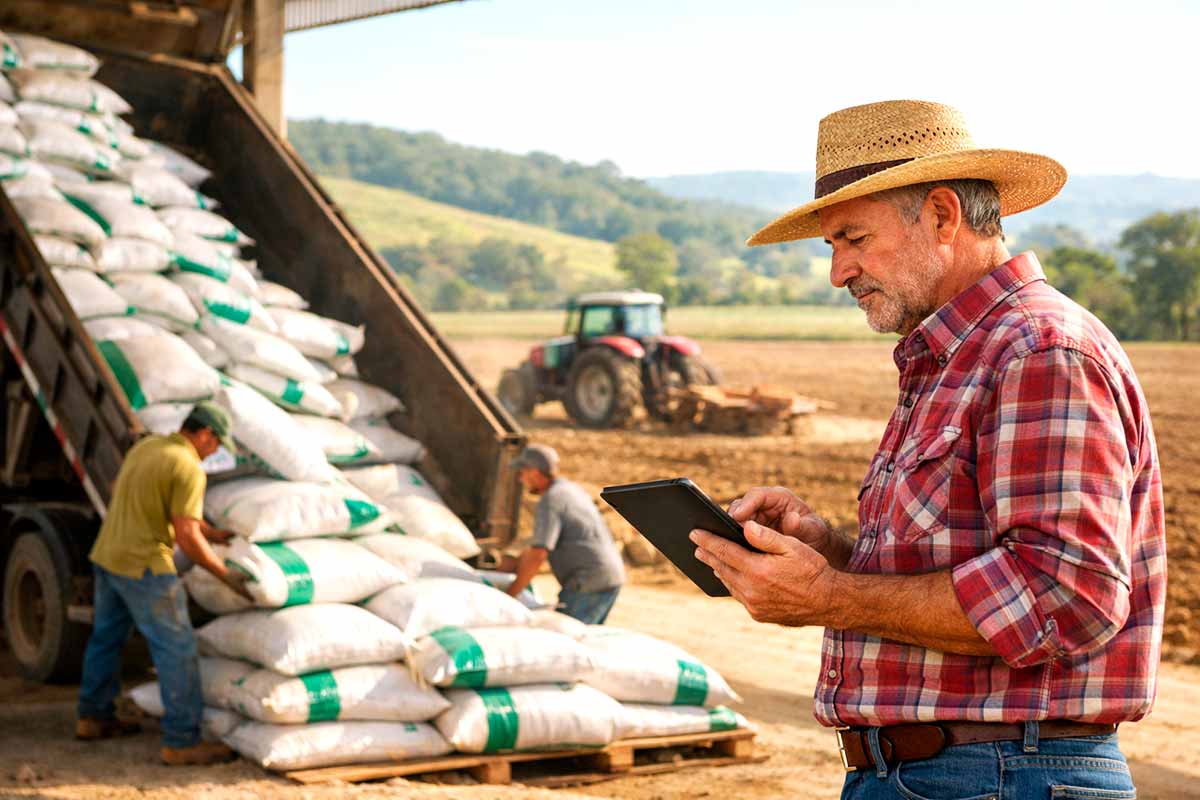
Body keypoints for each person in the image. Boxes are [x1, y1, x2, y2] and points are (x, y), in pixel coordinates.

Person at [690, 100, 1164, 799]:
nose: (838, 272)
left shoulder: (1037, 350)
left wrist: (831, 595)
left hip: (1003, 775)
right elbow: (952, 572)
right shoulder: (959, 358)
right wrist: (833, 554)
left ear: (943, 216)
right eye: (831, 248)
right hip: (967, 774)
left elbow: (1066, 594)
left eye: (853, 238)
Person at [76, 402, 253, 766]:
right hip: (144, 565)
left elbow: (147, 497)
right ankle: (182, 741)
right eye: (216, 445)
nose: (214, 453)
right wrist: (224, 574)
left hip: (108, 555)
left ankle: (93, 717)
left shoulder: (148, 447)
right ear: (204, 434)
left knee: (105, 638)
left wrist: (210, 531)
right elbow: (186, 537)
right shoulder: (189, 467)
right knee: (177, 648)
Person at [501, 444, 625, 623]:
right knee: (587, 640)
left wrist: (510, 596)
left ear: (534, 473)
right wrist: (518, 560)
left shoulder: (550, 500)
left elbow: (539, 554)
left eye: (522, 473)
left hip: (587, 583)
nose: (521, 480)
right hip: (610, 576)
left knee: (570, 642)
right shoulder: (571, 489)